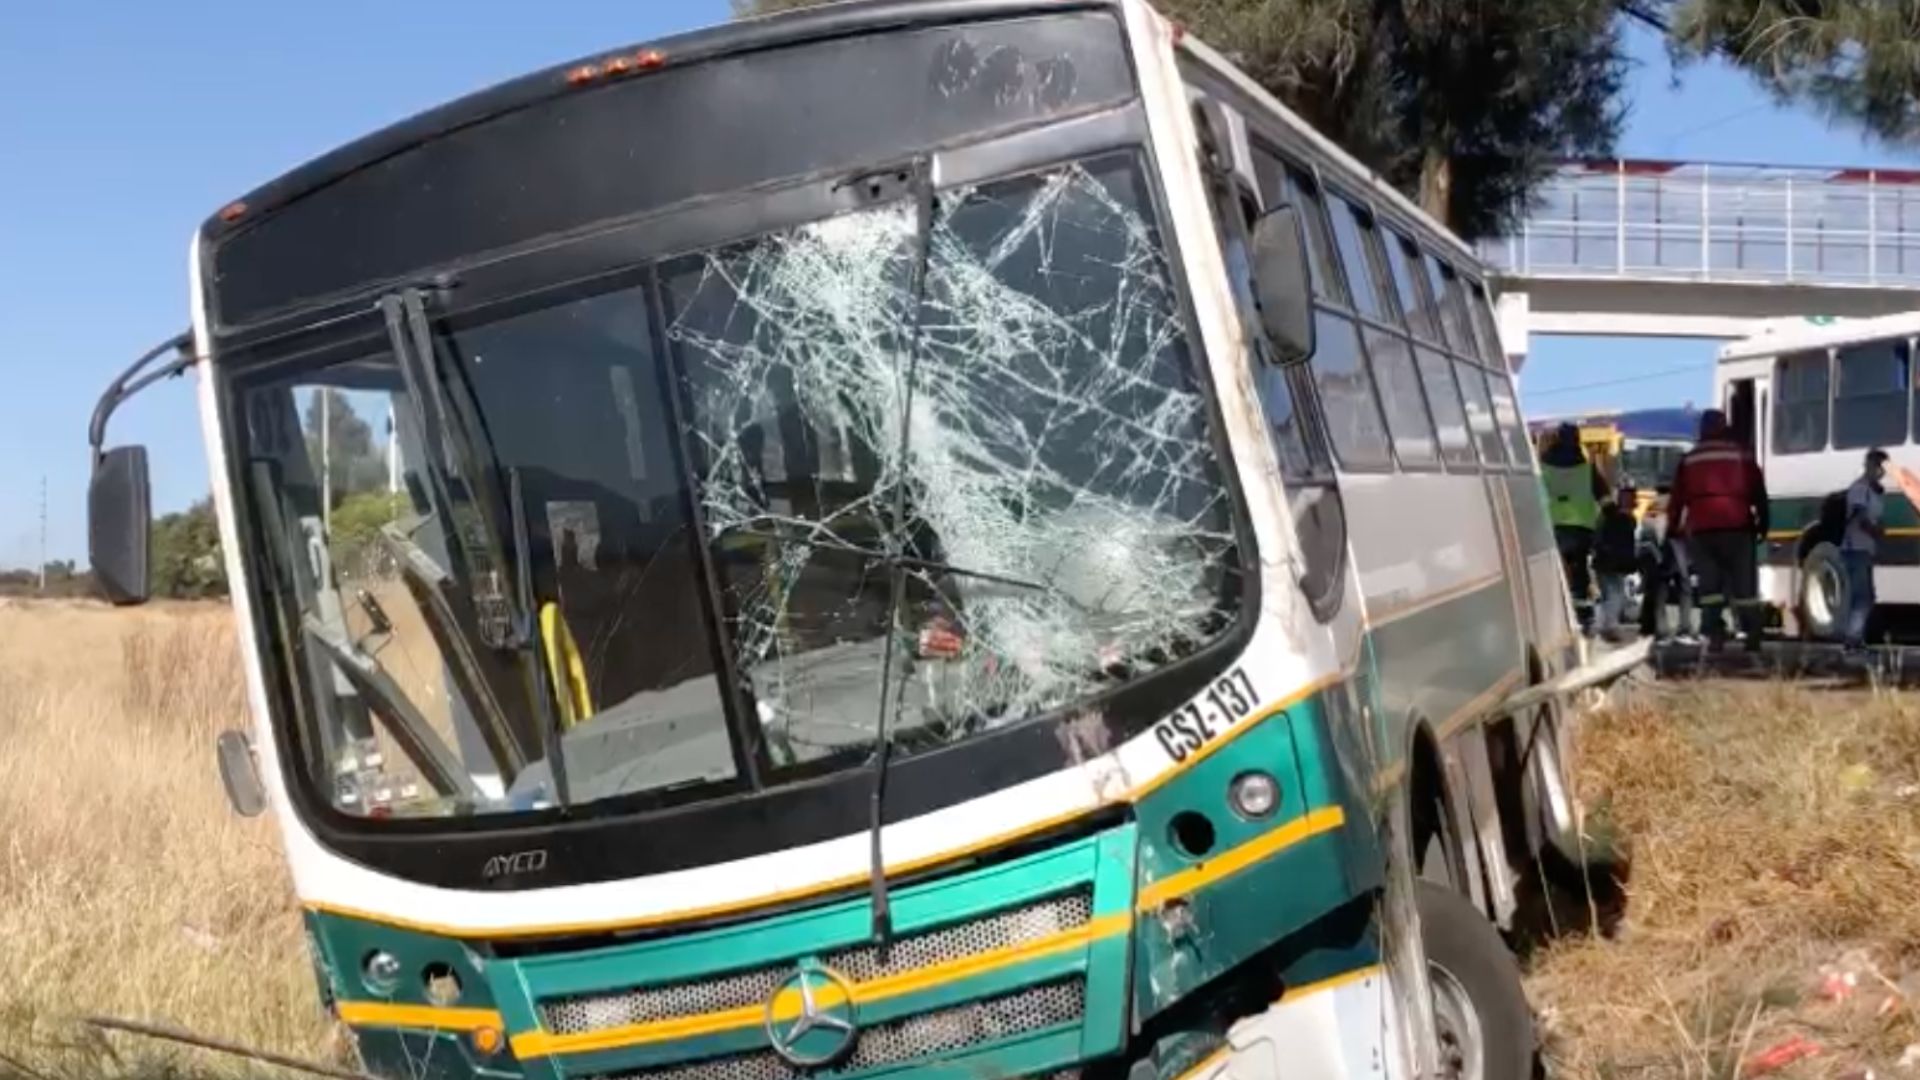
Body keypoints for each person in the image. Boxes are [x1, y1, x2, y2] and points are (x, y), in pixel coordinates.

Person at [1667, 409, 1769, 652]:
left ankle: (1715, 633)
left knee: (1710, 586)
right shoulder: (1741, 455)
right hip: (1738, 526)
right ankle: (1752, 633)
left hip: (1702, 529)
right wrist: (1764, 521)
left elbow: (1677, 498)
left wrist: (1673, 528)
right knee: (1745, 586)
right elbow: (1758, 490)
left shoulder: (1690, 459)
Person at [1539, 421, 1611, 632]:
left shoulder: (1543, 468)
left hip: (1553, 527)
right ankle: (1583, 618)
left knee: (1556, 572)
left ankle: (1554, 615)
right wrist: (1614, 516)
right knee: (1579, 574)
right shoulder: (1586, 469)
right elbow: (1604, 497)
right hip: (1581, 529)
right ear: (1577, 440)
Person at [1840, 448, 1889, 655]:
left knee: (1865, 596)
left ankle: (1855, 638)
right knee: (1862, 597)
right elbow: (1860, 518)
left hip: (1865, 550)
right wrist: (1877, 531)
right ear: (1869, 466)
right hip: (1855, 548)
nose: (1881, 472)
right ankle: (1852, 640)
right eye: (1878, 467)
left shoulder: (1872, 491)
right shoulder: (1860, 489)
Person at [1593, 485, 1639, 642]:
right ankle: (1610, 626)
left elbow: (1598, 537)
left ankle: (1606, 624)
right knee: (1615, 594)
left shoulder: (1607, 517)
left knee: (1611, 594)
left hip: (1604, 562)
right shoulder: (1626, 519)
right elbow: (1626, 546)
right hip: (1611, 563)